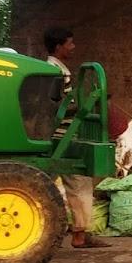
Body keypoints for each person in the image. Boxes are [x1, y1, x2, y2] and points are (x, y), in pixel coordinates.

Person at [44, 26, 109, 249]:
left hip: (55, 136)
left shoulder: (49, 67)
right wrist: (87, 104)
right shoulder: (56, 72)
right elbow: (58, 105)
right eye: (69, 43)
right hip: (63, 136)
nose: (73, 47)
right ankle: (80, 234)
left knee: (46, 181)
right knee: (79, 182)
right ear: (58, 46)